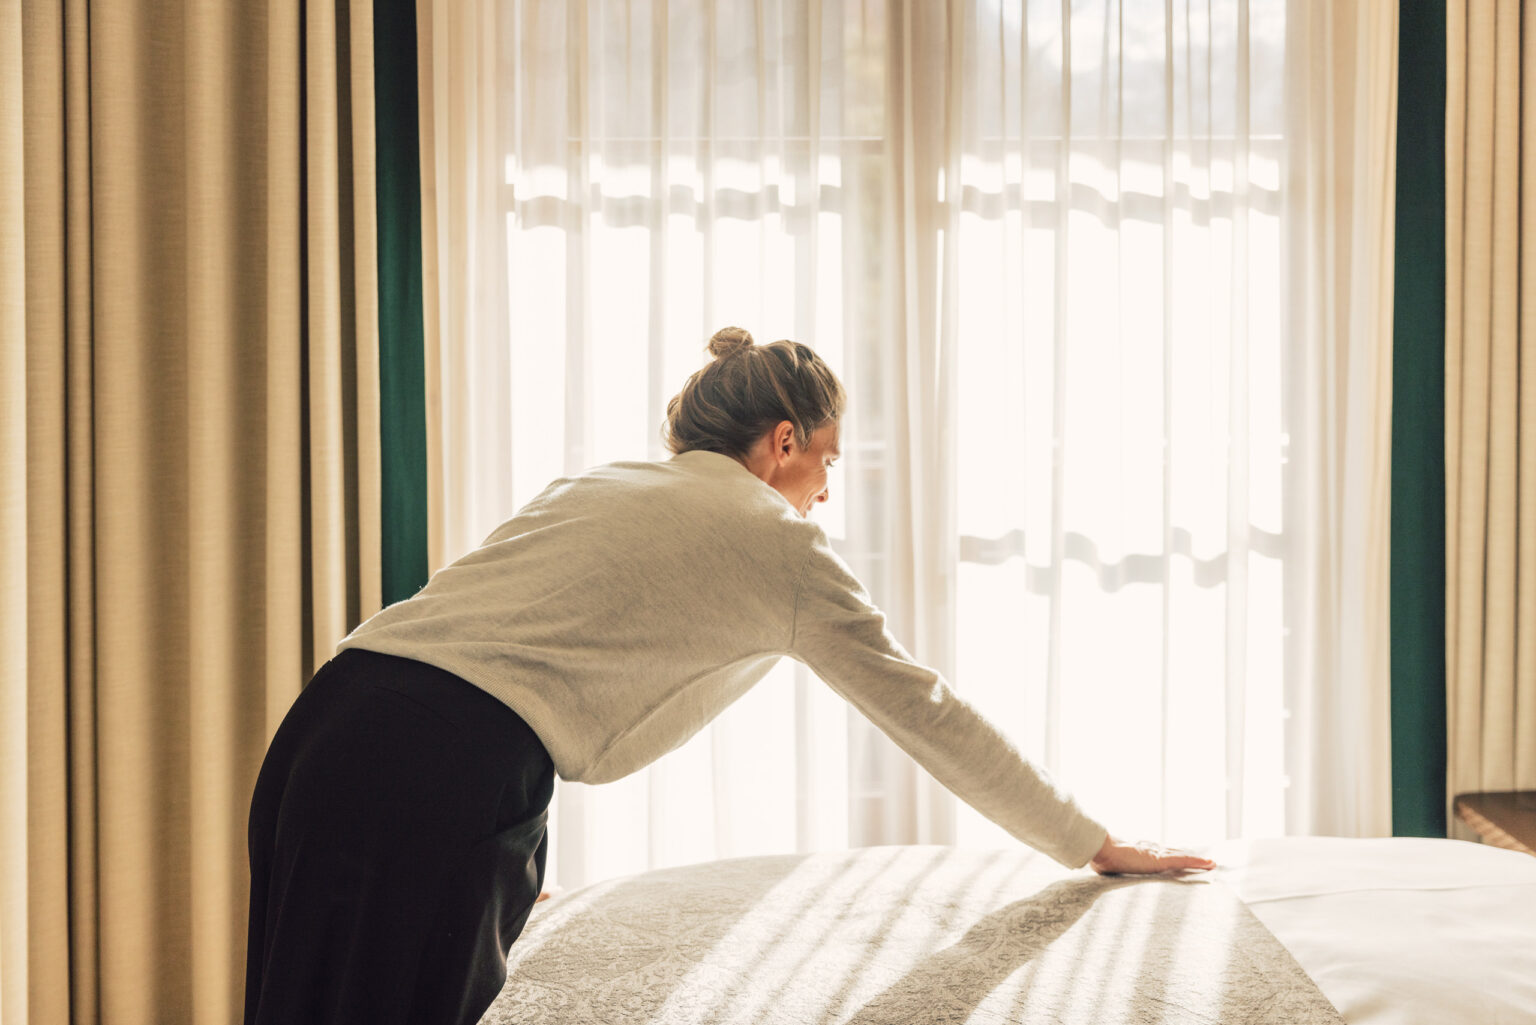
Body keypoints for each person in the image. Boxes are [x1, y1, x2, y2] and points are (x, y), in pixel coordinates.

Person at [243, 326, 1215, 1025]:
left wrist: (506, 847)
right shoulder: (778, 545)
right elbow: (929, 713)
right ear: (783, 441)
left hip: (328, 725)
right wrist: (1093, 843)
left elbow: (507, 651)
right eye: (826, 459)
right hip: (440, 774)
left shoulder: (601, 481)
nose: (826, 489)